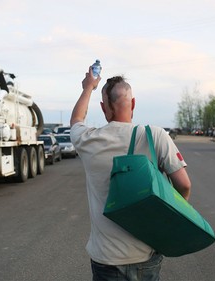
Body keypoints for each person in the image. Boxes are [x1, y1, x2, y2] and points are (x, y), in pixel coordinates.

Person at [70, 67, 191, 281]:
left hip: (107, 258)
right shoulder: (155, 136)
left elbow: (77, 119)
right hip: (146, 254)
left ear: (103, 108)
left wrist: (88, 86)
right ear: (133, 104)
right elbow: (184, 185)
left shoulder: (89, 140)